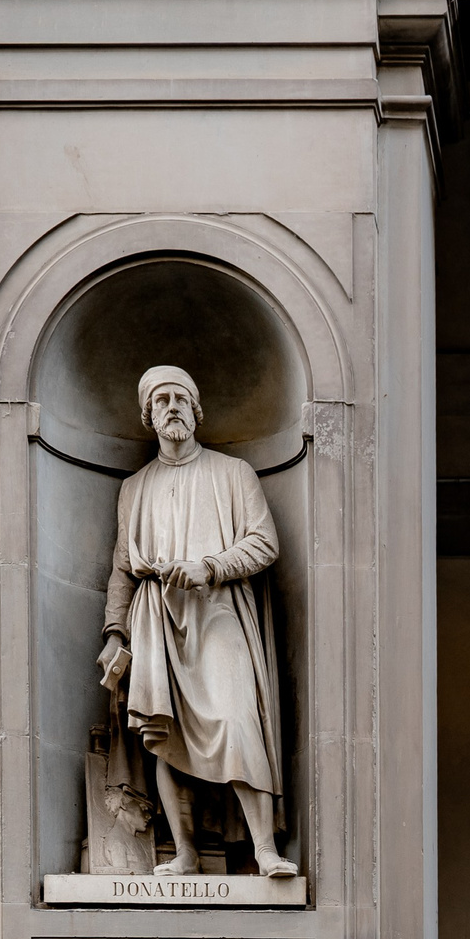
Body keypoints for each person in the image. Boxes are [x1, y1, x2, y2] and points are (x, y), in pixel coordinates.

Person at [94, 363, 294, 877]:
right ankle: (183, 852)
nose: (172, 407)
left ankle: (264, 849)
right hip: (155, 617)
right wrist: (115, 631)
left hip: (218, 610)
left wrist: (209, 567)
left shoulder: (233, 473)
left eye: (181, 398)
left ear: (196, 410)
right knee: (165, 732)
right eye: (161, 401)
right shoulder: (134, 487)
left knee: (236, 719)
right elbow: (121, 568)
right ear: (149, 416)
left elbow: (265, 542)